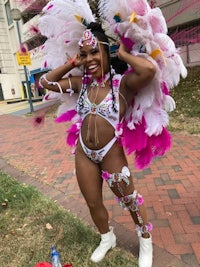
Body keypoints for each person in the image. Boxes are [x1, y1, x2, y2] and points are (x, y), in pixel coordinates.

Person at [40, 22, 156, 267]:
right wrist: (72, 64)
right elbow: (46, 83)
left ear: (106, 53)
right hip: (84, 152)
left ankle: (145, 241)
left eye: (94, 52)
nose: (89, 59)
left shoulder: (122, 84)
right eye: (84, 54)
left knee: (131, 201)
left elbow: (149, 71)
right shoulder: (81, 84)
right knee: (93, 201)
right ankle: (107, 238)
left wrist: (123, 53)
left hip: (110, 151)